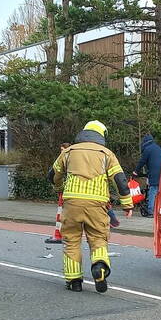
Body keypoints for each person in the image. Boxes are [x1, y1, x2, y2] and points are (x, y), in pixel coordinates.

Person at [49, 121, 133, 293]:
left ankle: (74, 281)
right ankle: (100, 267)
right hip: (97, 205)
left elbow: (53, 175)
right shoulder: (107, 154)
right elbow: (120, 181)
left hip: (72, 203)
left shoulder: (68, 152)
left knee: (71, 241)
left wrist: (59, 188)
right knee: (98, 239)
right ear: (101, 135)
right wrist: (127, 204)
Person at [133, 133, 161, 216]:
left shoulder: (148, 149)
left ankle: (150, 211)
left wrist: (136, 171)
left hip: (154, 174)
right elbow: (155, 162)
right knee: (158, 192)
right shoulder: (158, 148)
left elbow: (142, 161)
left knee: (152, 190)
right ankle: (158, 210)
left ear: (145, 142)